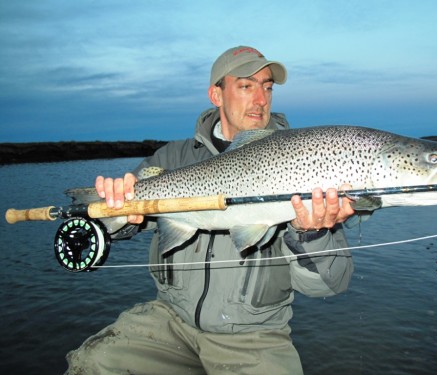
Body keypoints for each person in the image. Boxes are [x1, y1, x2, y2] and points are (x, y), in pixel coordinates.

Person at [66, 46, 355, 374]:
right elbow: (121, 224)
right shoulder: (171, 158)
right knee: (92, 361)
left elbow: (331, 285)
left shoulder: (302, 160)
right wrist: (113, 213)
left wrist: (312, 233)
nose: (261, 99)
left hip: (255, 339)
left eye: (267, 87)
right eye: (247, 86)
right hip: (169, 323)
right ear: (215, 94)